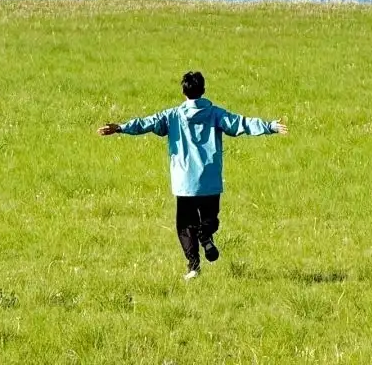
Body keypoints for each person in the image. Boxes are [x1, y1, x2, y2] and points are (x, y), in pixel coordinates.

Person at [98, 69, 287, 279]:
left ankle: (193, 266)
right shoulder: (216, 113)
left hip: (184, 182)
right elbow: (241, 123)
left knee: (185, 225)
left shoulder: (172, 116)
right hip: (210, 180)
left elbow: (146, 123)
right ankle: (206, 236)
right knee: (210, 220)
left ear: (183, 92)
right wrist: (269, 126)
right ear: (203, 90)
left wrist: (120, 128)